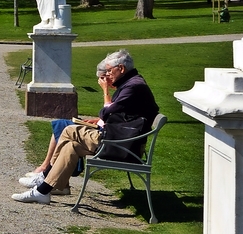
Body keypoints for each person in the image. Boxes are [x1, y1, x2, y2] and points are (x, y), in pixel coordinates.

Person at [13, 50, 159, 205]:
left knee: (68, 130)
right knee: (71, 146)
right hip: (121, 141)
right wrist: (100, 119)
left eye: (110, 70)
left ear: (121, 68)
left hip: (122, 146)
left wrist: (105, 94)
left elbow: (106, 113)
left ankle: (44, 176)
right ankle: (43, 191)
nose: (108, 74)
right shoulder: (131, 83)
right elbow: (118, 115)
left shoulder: (133, 87)